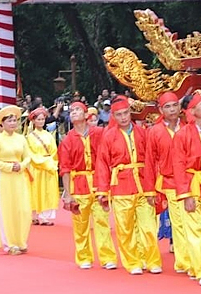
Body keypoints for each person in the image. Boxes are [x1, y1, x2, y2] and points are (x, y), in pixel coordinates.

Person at [96, 96, 161, 275]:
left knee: (148, 226)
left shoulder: (142, 132)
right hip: (121, 186)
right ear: (113, 116)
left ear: (130, 113)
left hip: (143, 183)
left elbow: (151, 160)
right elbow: (102, 163)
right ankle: (132, 262)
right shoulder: (108, 136)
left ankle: (152, 260)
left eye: (126, 113)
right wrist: (103, 190)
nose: (123, 117)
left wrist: (154, 185)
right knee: (125, 228)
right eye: (119, 114)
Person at [58, 102, 118, 270]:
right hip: (79, 185)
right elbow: (65, 169)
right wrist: (68, 194)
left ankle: (107, 257)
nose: (74, 112)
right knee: (80, 224)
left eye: (77, 110)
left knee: (102, 221)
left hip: (98, 183)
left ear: (86, 115)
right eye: (71, 111)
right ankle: (84, 256)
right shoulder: (67, 140)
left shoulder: (99, 133)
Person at [174, 91, 201, 285]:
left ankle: (199, 265)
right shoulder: (182, 134)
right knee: (194, 230)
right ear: (192, 110)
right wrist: (185, 194)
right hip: (192, 185)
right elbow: (179, 166)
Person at [146, 92, 189, 274]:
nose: (172, 110)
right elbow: (149, 161)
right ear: (160, 110)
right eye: (168, 107)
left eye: (174, 106)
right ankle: (184, 261)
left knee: (193, 222)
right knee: (179, 222)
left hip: (190, 181)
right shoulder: (155, 132)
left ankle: (194, 258)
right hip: (170, 182)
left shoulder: (188, 128)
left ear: (180, 108)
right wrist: (150, 190)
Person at [0, 106, 34, 254]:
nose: (13, 123)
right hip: (5, 177)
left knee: (23, 209)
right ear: (2, 123)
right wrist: (8, 167)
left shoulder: (21, 138)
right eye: (10, 121)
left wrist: (21, 165)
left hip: (19, 176)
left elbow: (28, 156)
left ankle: (21, 240)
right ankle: (10, 243)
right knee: (7, 209)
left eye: (15, 120)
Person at [27, 106, 59, 226]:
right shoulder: (30, 137)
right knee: (35, 190)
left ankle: (44, 216)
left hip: (48, 166)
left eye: (42, 119)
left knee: (47, 191)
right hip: (36, 167)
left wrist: (51, 162)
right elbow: (30, 153)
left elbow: (54, 151)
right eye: (38, 119)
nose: (41, 121)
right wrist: (41, 162)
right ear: (34, 121)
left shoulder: (49, 135)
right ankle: (34, 215)